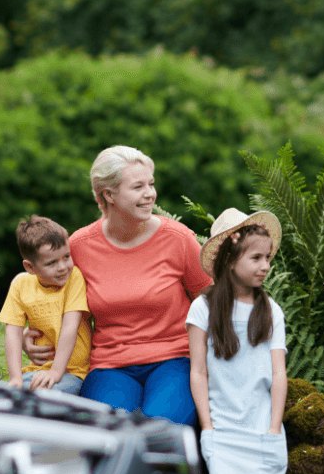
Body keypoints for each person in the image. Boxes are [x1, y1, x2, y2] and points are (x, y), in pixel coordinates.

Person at [23, 146, 212, 423]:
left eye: (151, 184)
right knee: (108, 430)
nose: (150, 193)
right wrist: (33, 334)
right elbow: (61, 307)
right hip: (110, 366)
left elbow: (211, 298)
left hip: (175, 359)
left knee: (159, 428)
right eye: (138, 186)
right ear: (108, 195)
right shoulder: (79, 247)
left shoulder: (178, 238)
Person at [186, 207, 288, 474]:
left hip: (262, 422)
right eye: (256, 257)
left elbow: (278, 373)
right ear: (231, 259)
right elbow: (198, 372)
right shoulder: (203, 308)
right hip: (224, 422)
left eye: (268, 258)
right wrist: (208, 426)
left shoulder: (271, 310)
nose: (265, 266)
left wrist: (274, 427)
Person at [0, 215, 91, 393]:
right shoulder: (20, 284)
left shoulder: (74, 278)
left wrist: (55, 372)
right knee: (7, 395)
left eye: (66, 256)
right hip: (37, 371)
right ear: (30, 267)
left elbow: (70, 327)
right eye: (52, 263)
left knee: (43, 398)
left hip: (71, 373)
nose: (63, 266)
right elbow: (13, 332)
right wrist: (16, 378)